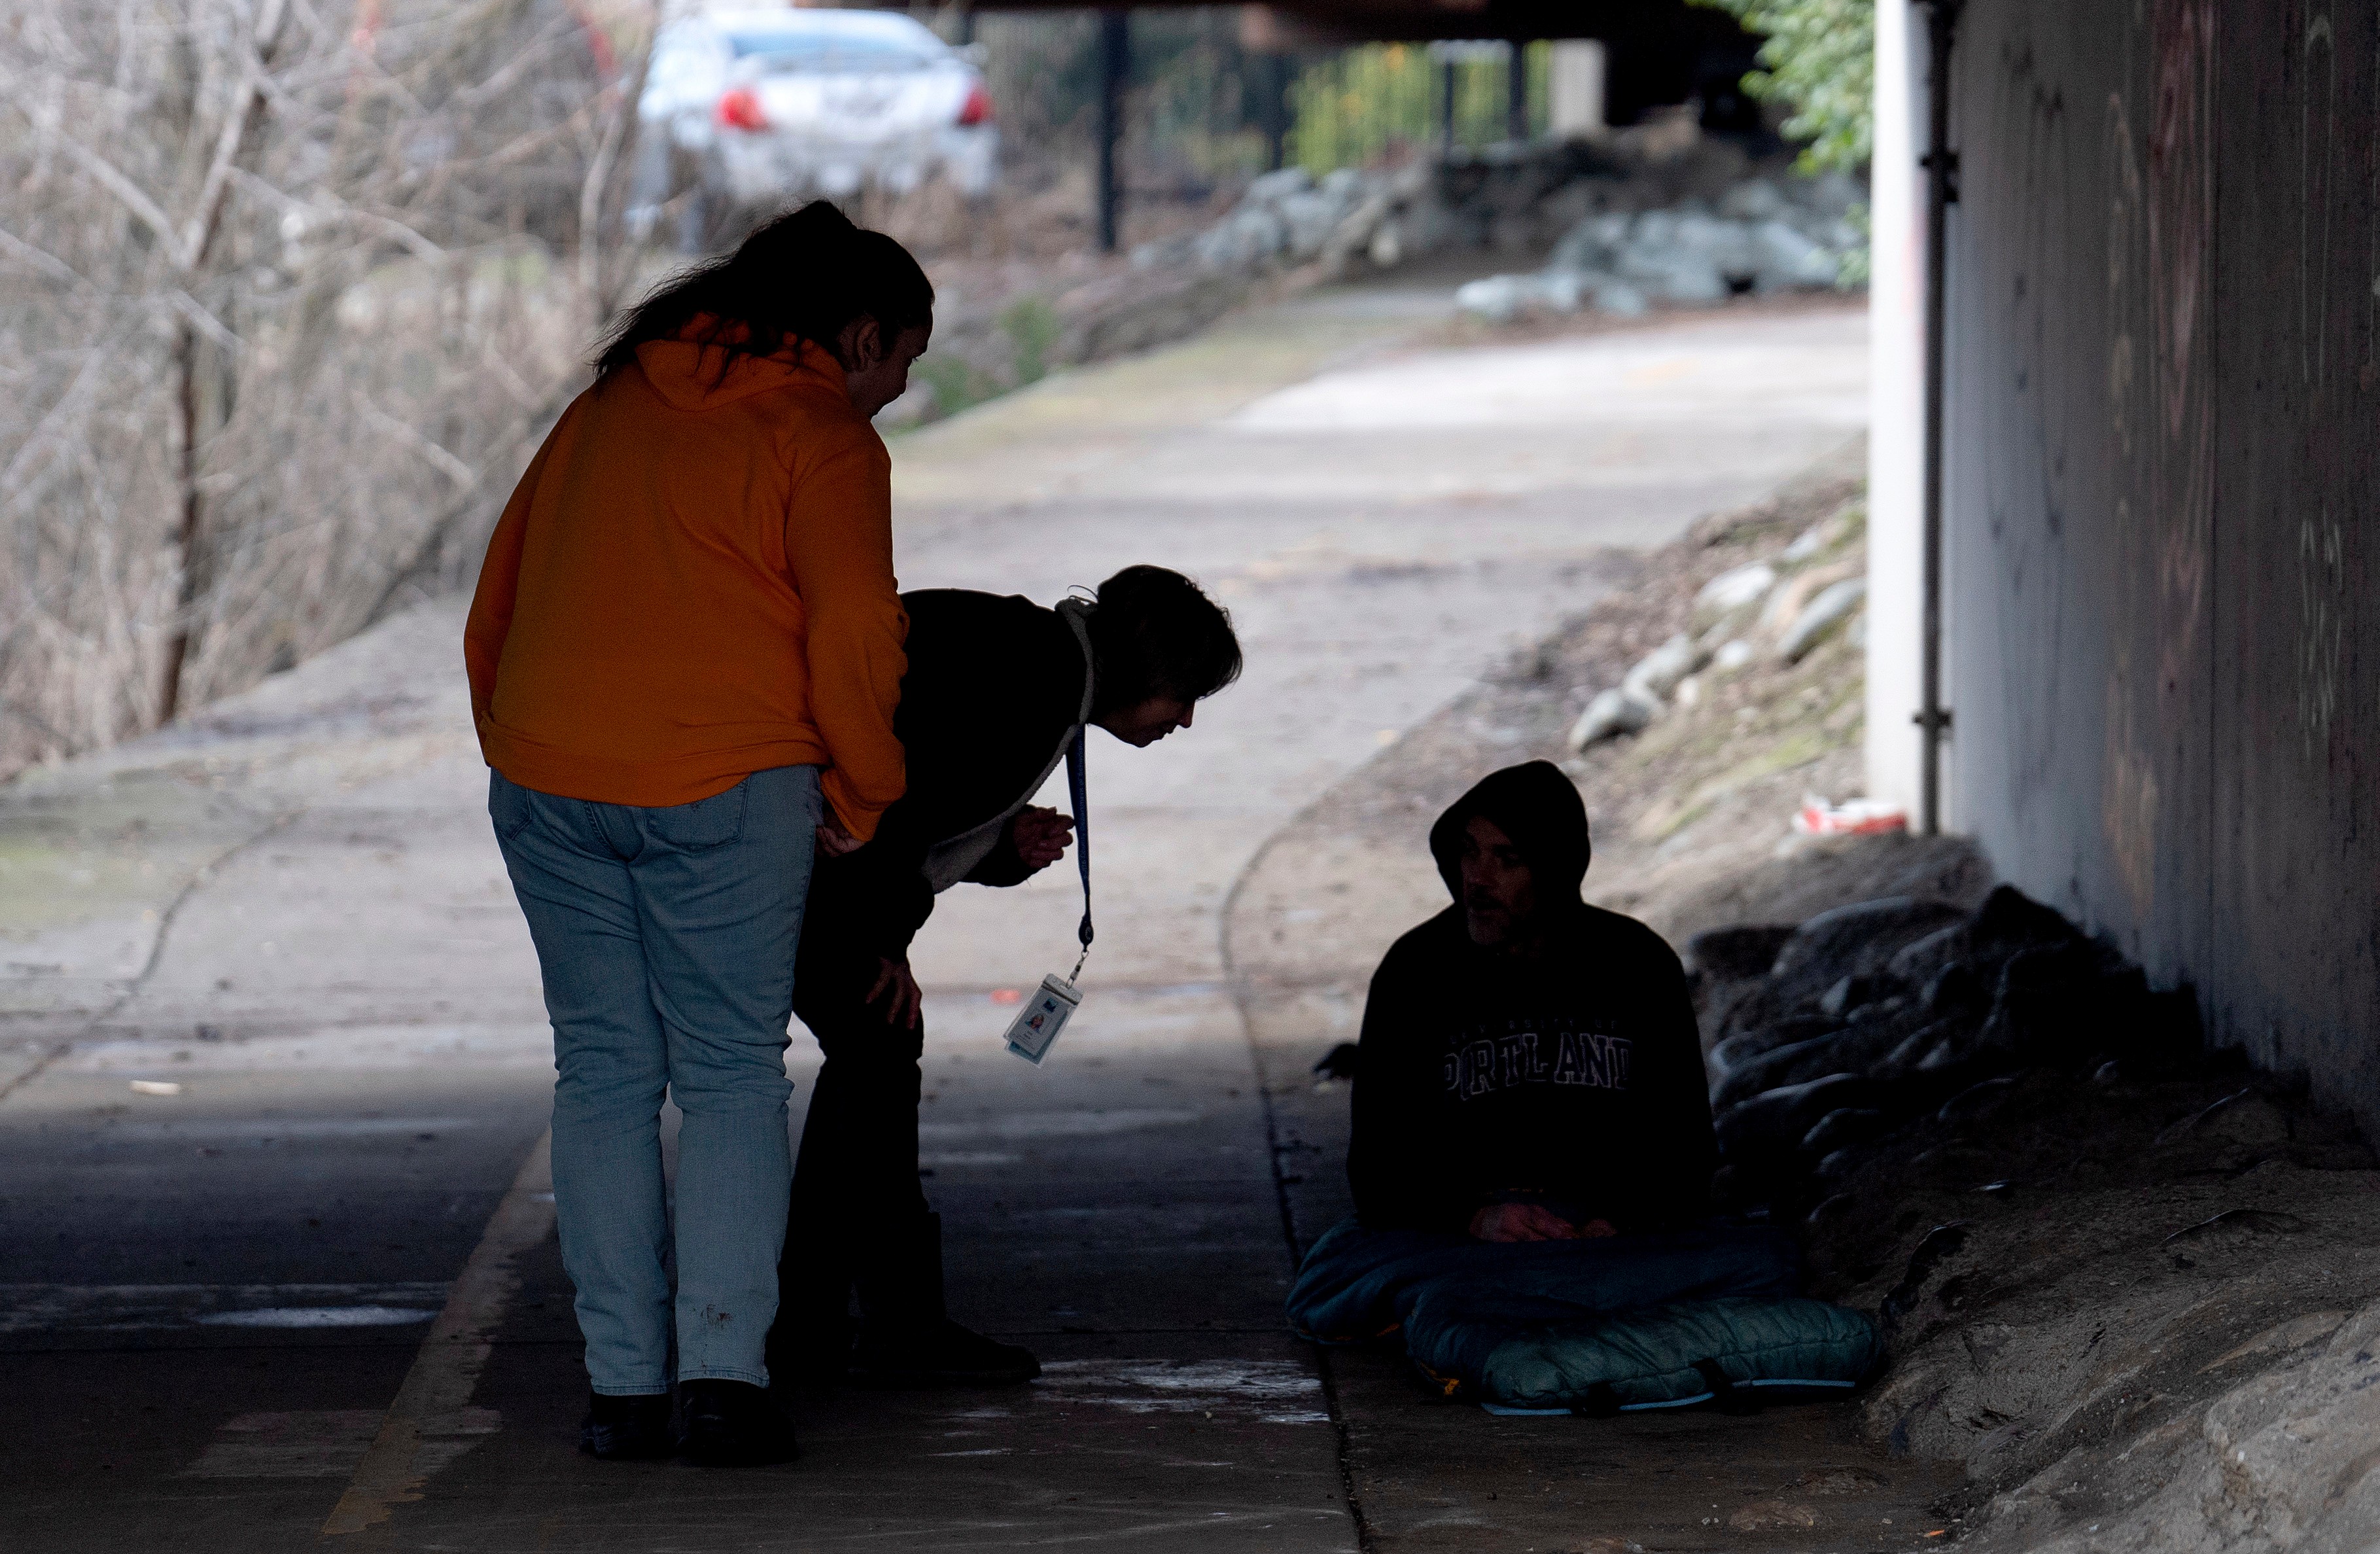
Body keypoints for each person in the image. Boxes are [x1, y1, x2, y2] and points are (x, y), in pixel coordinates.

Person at [463, 202, 929, 1467]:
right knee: (727, 1074)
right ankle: (721, 1380)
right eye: (900, 367)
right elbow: (853, 636)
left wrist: (520, 745)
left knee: (604, 1073)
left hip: (550, 777)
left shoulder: (610, 403)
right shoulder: (818, 430)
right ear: (859, 333)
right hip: (726, 783)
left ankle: (621, 1394)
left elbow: (498, 594)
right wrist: (864, 790)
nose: (893, 395)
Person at [770, 566, 1242, 1388]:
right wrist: (880, 941)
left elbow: (929, 800)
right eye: (1184, 697)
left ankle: (814, 1317)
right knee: (877, 1047)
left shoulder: (1037, 661)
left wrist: (998, 848)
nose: (1186, 720)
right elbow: (890, 804)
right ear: (1149, 674)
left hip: (806, 858)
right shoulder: (1031, 685)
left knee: (871, 1060)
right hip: (800, 861)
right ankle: (880, 1323)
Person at [1346, 760, 1717, 1241]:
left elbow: (1686, 1143)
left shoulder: (1638, 965)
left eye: (1507, 858)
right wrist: (1473, 1218)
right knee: (1352, 1282)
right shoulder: (1415, 972)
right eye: (1468, 852)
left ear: (1554, 870)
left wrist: (1623, 1219)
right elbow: (1377, 1167)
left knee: (1759, 1267)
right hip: (1459, 1244)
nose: (1477, 879)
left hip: (1609, 1238)